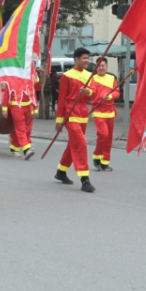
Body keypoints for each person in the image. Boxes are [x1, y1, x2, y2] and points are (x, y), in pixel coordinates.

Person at [54, 47, 95, 193]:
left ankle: (61, 171)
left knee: (73, 144)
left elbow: (93, 91)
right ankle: (85, 178)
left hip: (83, 113)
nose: (86, 61)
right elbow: (61, 99)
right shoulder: (67, 75)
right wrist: (59, 120)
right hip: (70, 114)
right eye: (84, 58)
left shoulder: (89, 75)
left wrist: (88, 91)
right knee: (80, 143)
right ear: (76, 59)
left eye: (87, 58)